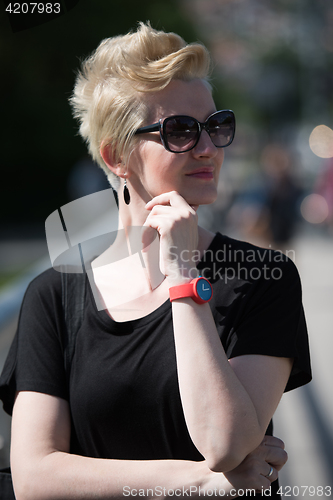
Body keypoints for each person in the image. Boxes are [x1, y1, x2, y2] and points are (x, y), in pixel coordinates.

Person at [0, 22, 311, 499]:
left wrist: (184, 274)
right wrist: (199, 482)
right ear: (117, 155)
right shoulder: (55, 295)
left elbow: (226, 444)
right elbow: (33, 478)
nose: (208, 147)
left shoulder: (264, 278)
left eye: (216, 125)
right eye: (181, 131)